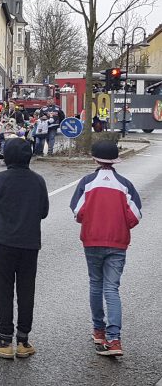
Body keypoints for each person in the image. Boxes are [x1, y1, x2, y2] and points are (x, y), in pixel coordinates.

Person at [69, 141, 142, 357]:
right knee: (112, 288)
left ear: (94, 159)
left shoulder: (87, 182)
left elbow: (77, 211)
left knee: (95, 284)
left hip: (92, 240)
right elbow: (136, 214)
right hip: (118, 242)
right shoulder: (125, 184)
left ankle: (99, 331)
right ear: (116, 159)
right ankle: (114, 339)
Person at [0, 138, 49, 359]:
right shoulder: (38, 180)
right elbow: (43, 212)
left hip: (3, 241)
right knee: (26, 289)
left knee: (4, 288)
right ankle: (23, 340)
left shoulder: (0, 178)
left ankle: (4, 339)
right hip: (30, 242)